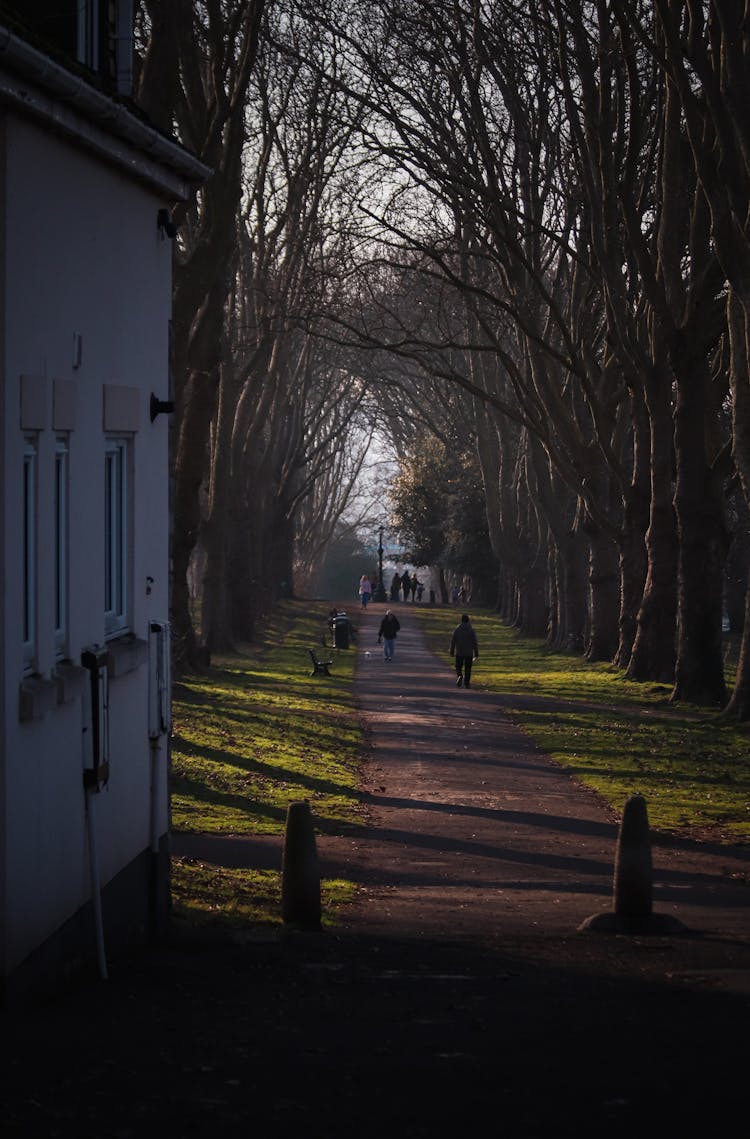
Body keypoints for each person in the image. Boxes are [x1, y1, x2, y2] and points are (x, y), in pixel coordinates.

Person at [450, 613, 478, 688]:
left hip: (459, 652)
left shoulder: (457, 630)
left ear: (461, 620)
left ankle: (460, 675)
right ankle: (467, 683)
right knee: (468, 668)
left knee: (458, 666)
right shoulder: (471, 630)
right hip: (469, 653)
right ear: (468, 621)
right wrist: (476, 653)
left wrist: (452, 651)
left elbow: (453, 641)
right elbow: (474, 642)